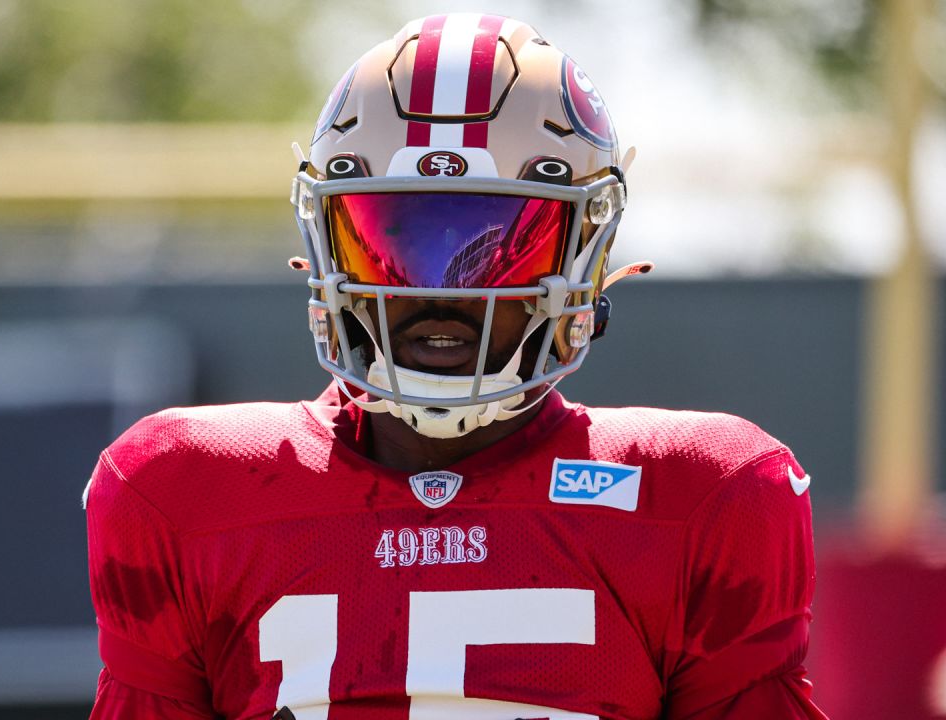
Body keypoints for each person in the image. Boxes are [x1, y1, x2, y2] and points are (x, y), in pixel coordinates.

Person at [84, 13, 826, 720]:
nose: (439, 292)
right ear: (325, 242)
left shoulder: (708, 497)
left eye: (498, 243)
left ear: (584, 252)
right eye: (393, 240)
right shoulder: (181, 491)